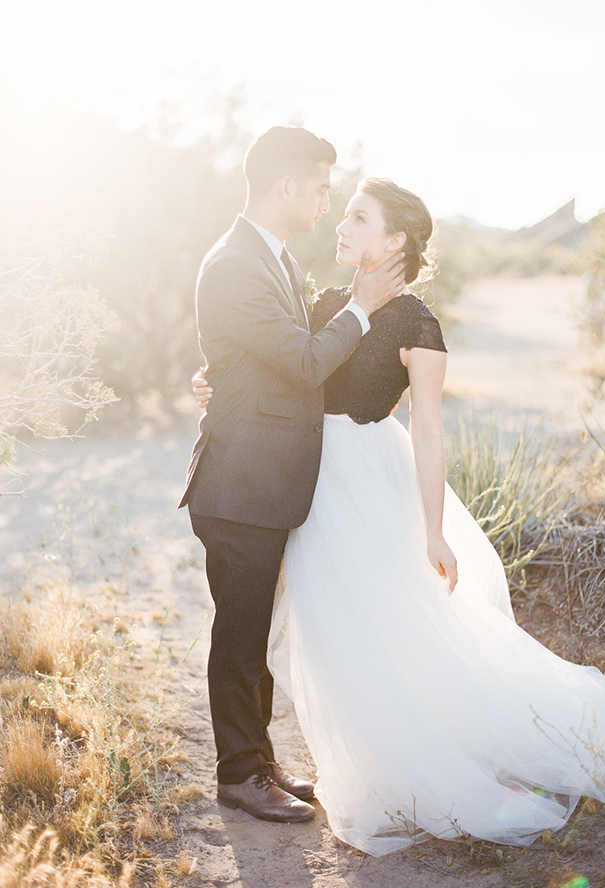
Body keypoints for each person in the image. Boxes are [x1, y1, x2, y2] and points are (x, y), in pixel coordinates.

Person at [193, 176, 605, 855]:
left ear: (396, 238)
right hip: (304, 485)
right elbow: (281, 367)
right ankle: (274, 765)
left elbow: (429, 433)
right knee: (323, 630)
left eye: (357, 217)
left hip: (371, 487)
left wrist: (434, 528)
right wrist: (216, 381)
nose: (340, 226)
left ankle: (408, 763)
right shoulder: (322, 303)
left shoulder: (417, 325)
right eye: (341, 213)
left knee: (386, 627)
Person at [179, 127, 406, 825]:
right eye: (319, 188)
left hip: (260, 482)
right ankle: (238, 775)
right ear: (285, 186)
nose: (324, 201)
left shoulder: (266, 257)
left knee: (254, 641)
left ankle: (258, 760)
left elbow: (265, 353)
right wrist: (364, 308)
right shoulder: (235, 265)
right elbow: (306, 363)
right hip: (239, 484)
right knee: (241, 640)